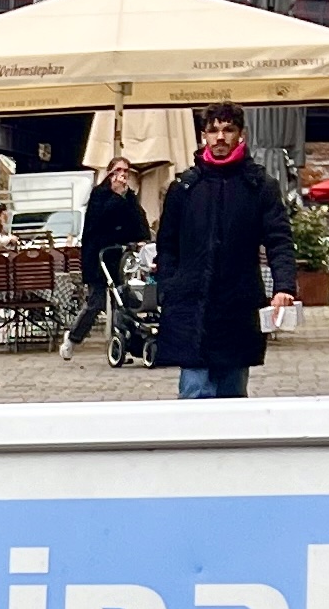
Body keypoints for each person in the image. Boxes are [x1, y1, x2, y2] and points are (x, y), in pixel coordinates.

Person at [151, 105, 296, 399]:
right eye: (214, 130)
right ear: (204, 135)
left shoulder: (260, 186)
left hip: (238, 307)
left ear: (241, 135)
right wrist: (169, 286)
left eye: (228, 130)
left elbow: (279, 241)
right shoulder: (184, 188)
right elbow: (167, 245)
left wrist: (283, 287)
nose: (220, 137)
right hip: (192, 308)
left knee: (233, 398)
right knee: (193, 392)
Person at [65, 158, 149, 351]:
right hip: (98, 256)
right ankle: (73, 338)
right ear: (110, 173)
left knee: (123, 301)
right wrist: (117, 196)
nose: (122, 174)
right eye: (118, 170)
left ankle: (124, 342)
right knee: (96, 302)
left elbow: (138, 220)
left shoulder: (129, 197)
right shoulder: (99, 194)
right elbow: (99, 220)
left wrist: (142, 238)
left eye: (126, 170)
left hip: (119, 256)